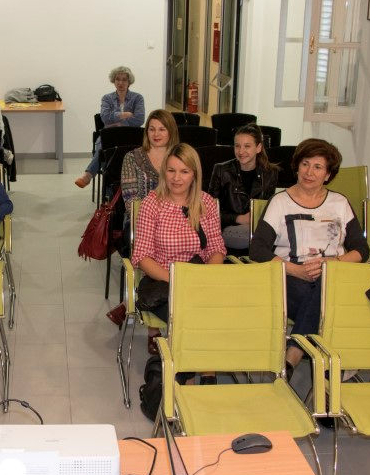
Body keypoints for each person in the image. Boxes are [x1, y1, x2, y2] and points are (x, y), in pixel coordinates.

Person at [250, 139, 368, 379]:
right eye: (305, 164)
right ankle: (332, 369)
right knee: (326, 303)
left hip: (334, 275)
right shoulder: (280, 202)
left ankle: (293, 353)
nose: (309, 172)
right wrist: (295, 270)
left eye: (317, 167)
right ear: (297, 167)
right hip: (291, 276)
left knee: (325, 289)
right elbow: (258, 249)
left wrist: (333, 264)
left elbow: (361, 249)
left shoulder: (339, 203)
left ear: (328, 174)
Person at [131, 144, 227, 356]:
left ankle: (198, 368)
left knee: (218, 316)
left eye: (184, 171)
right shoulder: (152, 204)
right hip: (163, 280)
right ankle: (196, 370)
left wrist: (205, 278)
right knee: (191, 321)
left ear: (194, 174)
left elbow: (216, 248)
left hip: (198, 279)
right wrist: (177, 279)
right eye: (171, 170)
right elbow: (142, 256)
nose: (176, 178)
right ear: (164, 172)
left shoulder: (205, 202)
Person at [105, 109, 179, 328]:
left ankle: (134, 302)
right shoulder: (132, 158)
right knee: (158, 249)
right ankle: (153, 329)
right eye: (152, 129)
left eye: (162, 129)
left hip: (176, 223)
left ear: (171, 131)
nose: (156, 134)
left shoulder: (180, 157)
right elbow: (131, 202)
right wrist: (157, 223)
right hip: (139, 223)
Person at [208, 123, 278, 253]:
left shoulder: (270, 173)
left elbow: (269, 210)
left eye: (247, 146)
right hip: (228, 227)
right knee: (253, 238)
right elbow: (209, 212)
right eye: (237, 146)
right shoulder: (221, 170)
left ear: (258, 148)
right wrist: (238, 218)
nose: (241, 151)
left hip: (256, 227)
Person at [75, 66, 146, 188]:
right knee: (103, 148)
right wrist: (125, 114)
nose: (120, 83)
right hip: (110, 134)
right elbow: (105, 118)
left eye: (124, 79)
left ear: (129, 82)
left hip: (131, 135)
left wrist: (119, 123)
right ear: (114, 80)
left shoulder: (137, 98)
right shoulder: (107, 98)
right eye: (118, 79)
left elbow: (139, 119)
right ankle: (90, 177)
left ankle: (122, 186)